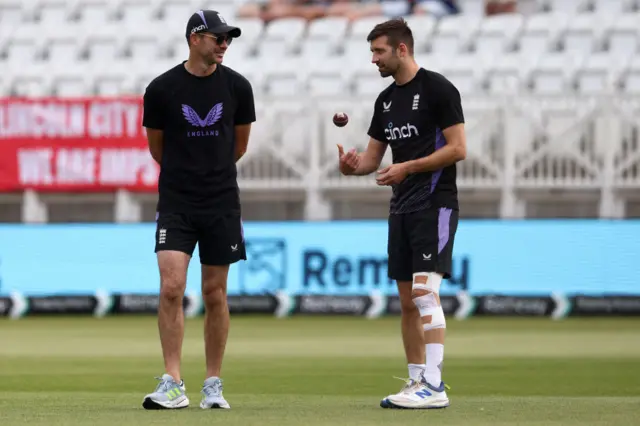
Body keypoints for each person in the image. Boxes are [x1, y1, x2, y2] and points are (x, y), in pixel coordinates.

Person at [337, 18, 466, 409]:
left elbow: (458, 148)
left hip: (435, 203)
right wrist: (351, 166)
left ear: (402, 49)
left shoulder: (438, 89)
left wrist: (407, 168)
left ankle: (436, 385)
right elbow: (373, 161)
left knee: (426, 293)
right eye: (372, 52)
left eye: (379, 51)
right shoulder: (386, 101)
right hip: (402, 208)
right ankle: (415, 382)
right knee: (408, 300)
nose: (373, 59)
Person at [140, 9, 256, 410]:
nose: (225, 44)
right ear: (195, 38)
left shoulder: (238, 87)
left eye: (229, 39)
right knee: (172, 288)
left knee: (214, 292)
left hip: (222, 201)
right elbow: (158, 149)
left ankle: (213, 383)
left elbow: (239, 146)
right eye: (218, 38)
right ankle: (172, 381)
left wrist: (211, 173)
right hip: (176, 201)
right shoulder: (161, 89)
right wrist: (187, 175)